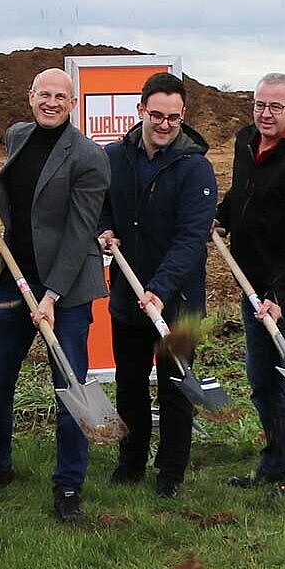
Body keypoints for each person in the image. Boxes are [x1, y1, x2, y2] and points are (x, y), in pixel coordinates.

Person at [0, 68, 110, 522]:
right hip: (16, 279)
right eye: (43, 94)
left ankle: (68, 486)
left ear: (73, 104)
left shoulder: (89, 157)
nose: (50, 102)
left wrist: (51, 295)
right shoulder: (18, 135)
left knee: (69, 388)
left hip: (64, 291)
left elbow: (78, 232)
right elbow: (17, 184)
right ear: (30, 96)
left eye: (60, 97)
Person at [95, 71, 217, 498]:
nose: (165, 124)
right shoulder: (115, 157)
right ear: (141, 110)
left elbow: (191, 239)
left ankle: (170, 474)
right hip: (128, 294)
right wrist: (105, 230)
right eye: (157, 115)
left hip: (177, 301)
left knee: (175, 385)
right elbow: (103, 207)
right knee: (129, 383)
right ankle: (130, 463)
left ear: (183, 117)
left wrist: (161, 289)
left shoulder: (195, 168)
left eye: (174, 117)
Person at [219, 73, 285, 494]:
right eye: (259, 105)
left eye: (275, 107)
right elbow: (240, 193)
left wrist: (279, 295)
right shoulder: (246, 143)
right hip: (252, 285)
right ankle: (275, 459)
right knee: (261, 380)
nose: (265, 114)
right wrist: (221, 217)